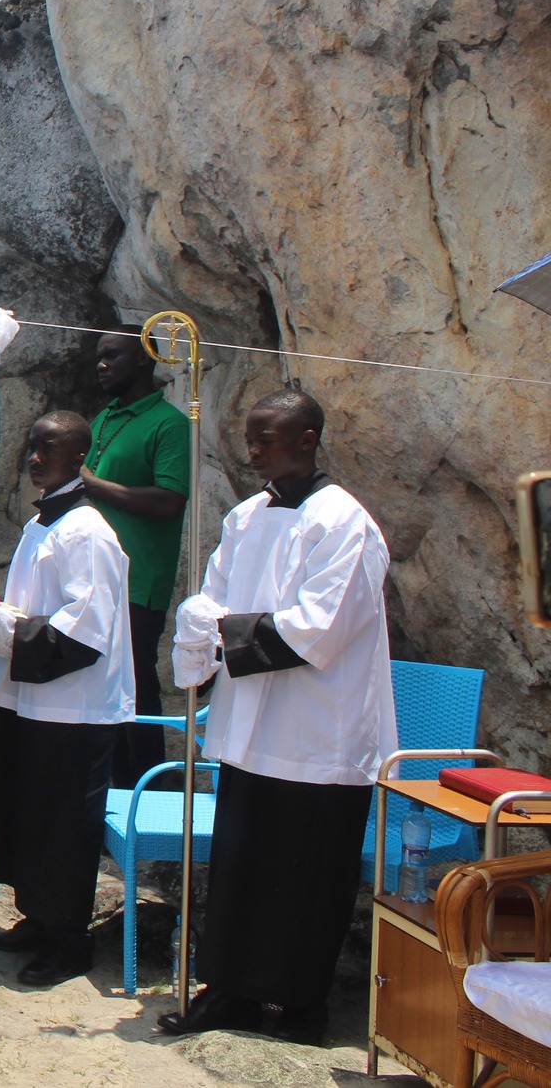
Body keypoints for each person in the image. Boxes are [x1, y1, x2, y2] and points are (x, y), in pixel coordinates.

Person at [159, 389, 394, 1045]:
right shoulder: (244, 519)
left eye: (268, 437)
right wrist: (199, 620)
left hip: (319, 733)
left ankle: (298, 1005)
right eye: (251, 436)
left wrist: (220, 625)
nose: (254, 449)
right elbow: (216, 596)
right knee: (240, 868)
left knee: (306, 875)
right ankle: (229, 991)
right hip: (248, 729)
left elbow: (318, 629)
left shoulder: (344, 523)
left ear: (308, 437)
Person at [0, 412, 136, 987]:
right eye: (33, 445)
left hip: (74, 706)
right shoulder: (43, 522)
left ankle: (70, 939)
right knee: (28, 810)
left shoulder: (87, 531)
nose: (36, 457)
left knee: (63, 822)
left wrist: (3, 632)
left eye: (51, 449)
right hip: (29, 697)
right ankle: (38, 918)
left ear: (79, 458)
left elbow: (85, 628)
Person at [78, 332, 190, 787]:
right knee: (98, 690)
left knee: (136, 691)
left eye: (111, 356)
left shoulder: (170, 424)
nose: (101, 365)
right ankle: (104, 794)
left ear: (144, 361)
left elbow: (169, 501)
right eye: (98, 357)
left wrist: (89, 483)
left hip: (139, 580)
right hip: (93, 579)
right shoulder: (103, 418)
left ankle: (148, 794)